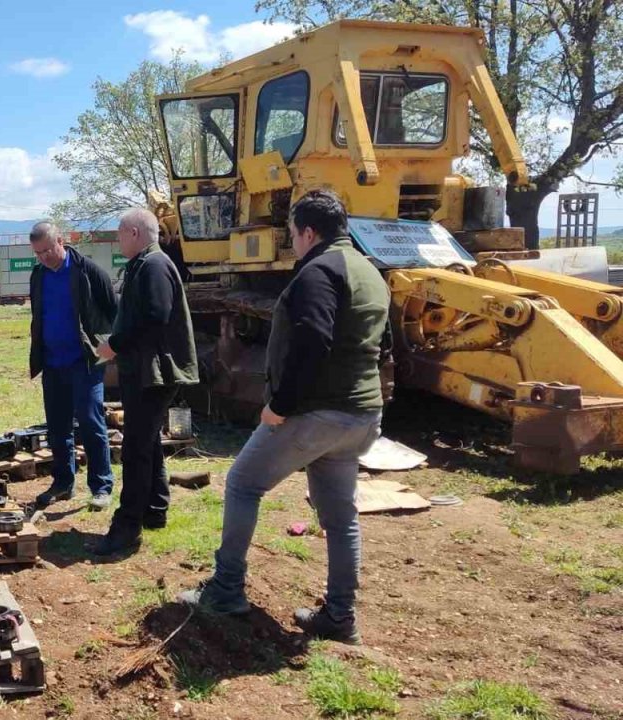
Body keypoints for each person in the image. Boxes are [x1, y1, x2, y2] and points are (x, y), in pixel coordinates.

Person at [180, 190, 389, 645]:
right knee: (340, 517)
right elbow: (385, 345)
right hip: (360, 416)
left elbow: (314, 338)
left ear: (308, 232)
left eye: (293, 234)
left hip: (316, 413)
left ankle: (227, 589)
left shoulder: (318, 272)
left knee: (242, 483)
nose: (292, 242)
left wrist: (281, 404)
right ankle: (339, 617)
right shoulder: (369, 272)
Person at [93, 208, 198, 556]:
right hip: (144, 371)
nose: (118, 239)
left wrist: (114, 345)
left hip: (155, 373)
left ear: (135, 233)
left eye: (120, 233)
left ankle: (126, 529)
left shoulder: (154, 265)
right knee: (148, 441)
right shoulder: (145, 264)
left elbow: (156, 316)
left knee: (136, 449)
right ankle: (155, 509)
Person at [26, 221, 118, 511]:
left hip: (85, 363)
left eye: (47, 250)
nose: (43, 257)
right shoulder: (38, 275)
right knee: (58, 427)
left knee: (92, 423)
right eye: (38, 253)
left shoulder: (87, 271)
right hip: (53, 363)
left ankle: (101, 486)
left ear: (60, 242)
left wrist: (108, 347)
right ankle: (63, 482)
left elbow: (114, 310)